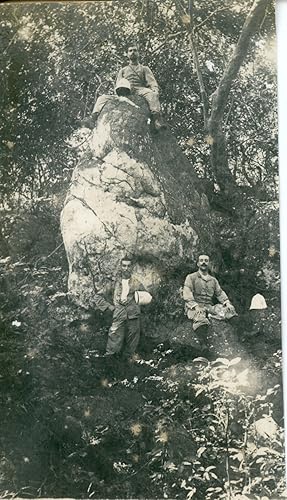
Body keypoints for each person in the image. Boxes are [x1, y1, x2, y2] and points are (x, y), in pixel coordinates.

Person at [94, 256, 152, 360]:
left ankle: (127, 368)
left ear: (132, 267)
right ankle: (109, 363)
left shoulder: (136, 282)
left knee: (132, 345)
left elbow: (147, 297)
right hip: (119, 314)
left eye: (128, 266)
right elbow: (98, 297)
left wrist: (137, 303)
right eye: (124, 265)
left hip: (133, 316)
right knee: (114, 340)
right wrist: (110, 307)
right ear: (120, 266)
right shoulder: (113, 283)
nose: (126, 268)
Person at [183, 254, 237, 343]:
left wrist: (227, 303)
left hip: (208, 306)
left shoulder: (213, 280)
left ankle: (239, 337)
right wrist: (196, 306)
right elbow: (187, 293)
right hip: (194, 306)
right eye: (201, 260)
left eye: (206, 261)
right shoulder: (191, 277)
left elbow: (219, 293)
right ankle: (203, 343)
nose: (203, 263)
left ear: (209, 263)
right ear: (197, 263)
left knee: (230, 311)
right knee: (200, 319)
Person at [115, 44, 165, 130]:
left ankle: (156, 119)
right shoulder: (123, 70)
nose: (132, 52)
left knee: (151, 94)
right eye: (130, 51)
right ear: (127, 54)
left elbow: (152, 82)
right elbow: (118, 84)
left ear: (138, 53)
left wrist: (155, 90)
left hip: (140, 89)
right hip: (127, 90)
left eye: (135, 50)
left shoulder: (144, 68)